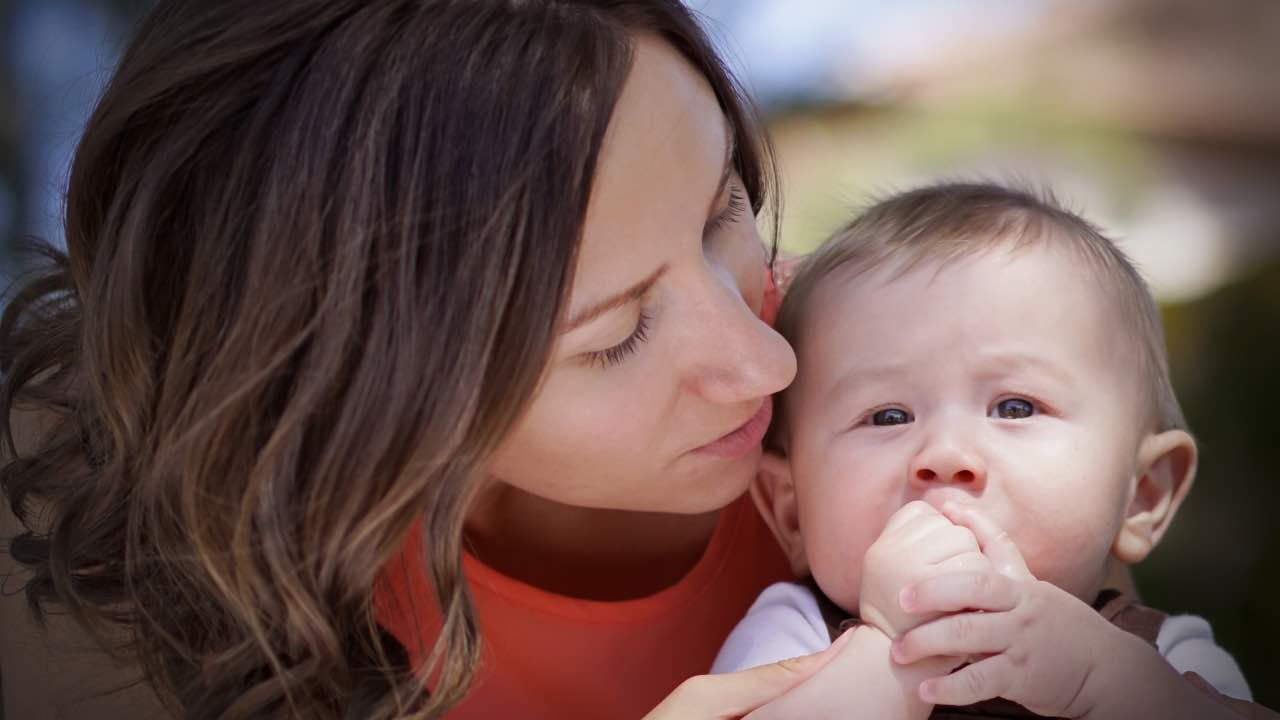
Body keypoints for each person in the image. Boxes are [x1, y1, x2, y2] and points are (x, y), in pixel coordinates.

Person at [0, 1, 923, 718]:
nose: (768, 361)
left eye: (724, 212)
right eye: (615, 336)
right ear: (362, 391)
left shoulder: (923, 391)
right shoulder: (111, 577)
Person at [712, 183, 1262, 717]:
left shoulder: (1166, 656)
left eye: (1015, 407)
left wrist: (1102, 684)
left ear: (1142, 494)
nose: (946, 454)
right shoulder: (793, 637)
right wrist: (889, 654)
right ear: (790, 509)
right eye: (887, 416)